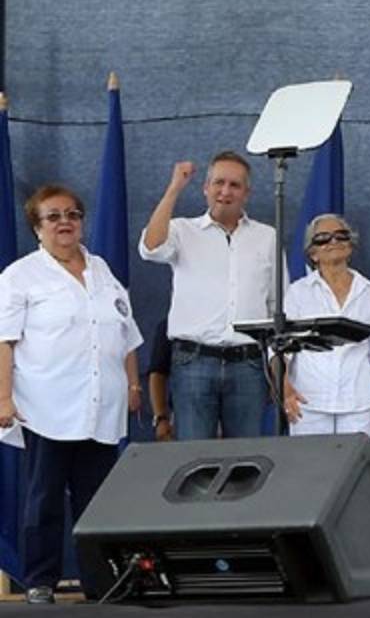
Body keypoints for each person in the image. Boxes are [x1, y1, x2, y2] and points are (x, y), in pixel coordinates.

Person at [0, 185, 143, 604]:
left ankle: (99, 581)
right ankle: (40, 580)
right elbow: (3, 341)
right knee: (44, 498)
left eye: (73, 214)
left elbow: (125, 332)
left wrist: (133, 385)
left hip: (101, 406)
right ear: (37, 227)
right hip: (46, 406)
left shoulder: (101, 269)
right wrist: (3, 398)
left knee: (96, 500)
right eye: (53, 216)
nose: (65, 222)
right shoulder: (20, 276)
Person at [139, 152, 282, 440]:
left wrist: (276, 369)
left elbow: (276, 305)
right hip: (194, 362)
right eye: (219, 182)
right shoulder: (181, 230)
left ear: (247, 193)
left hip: (249, 364)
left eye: (234, 185)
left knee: (246, 458)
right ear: (206, 187)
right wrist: (174, 188)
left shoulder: (267, 237)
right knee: (195, 458)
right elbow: (150, 248)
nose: (225, 191)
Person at [280, 214, 370, 440]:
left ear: (350, 245)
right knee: (311, 463)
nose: (333, 241)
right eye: (323, 238)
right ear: (313, 254)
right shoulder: (297, 293)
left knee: (357, 462)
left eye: (340, 235)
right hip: (308, 402)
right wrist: (286, 391)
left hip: (359, 402)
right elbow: (283, 349)